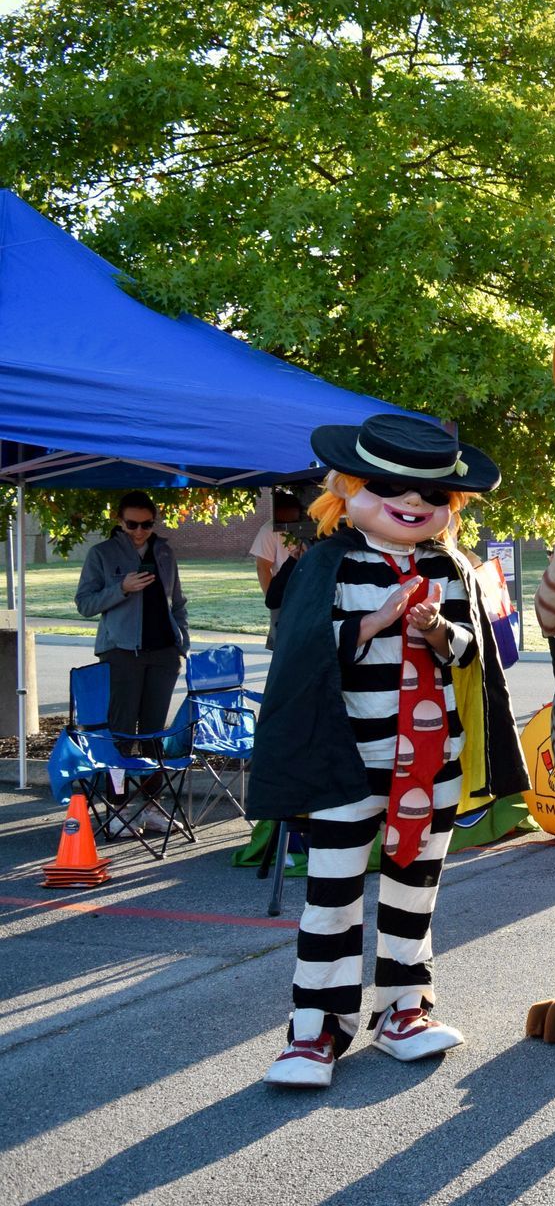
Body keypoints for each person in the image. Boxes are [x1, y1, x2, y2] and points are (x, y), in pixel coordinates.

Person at [246, 415, 526, 1089]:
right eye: (390, 487)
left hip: (432, 761)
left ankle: (406, 1009)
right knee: (332, 896)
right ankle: (316, 1028)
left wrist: (436, 631)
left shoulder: (451, 567)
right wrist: (374, 623)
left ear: (450, 505)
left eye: (432, 495)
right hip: (345, 764)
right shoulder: (327, 563)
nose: (414, 504)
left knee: (414, 893)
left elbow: (475, 652)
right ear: (347, 489)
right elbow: (302, 654)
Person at [74, 492, 190, 833]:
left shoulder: (165, 552)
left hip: (163, 655)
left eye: (147, 524)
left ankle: (152, 807)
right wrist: (121, 587)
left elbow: (178, 602)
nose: (140, 531)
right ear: (119, 520)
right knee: (121, 734)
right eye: (132, 524)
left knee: (155, 734)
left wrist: (180, 641)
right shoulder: (102, 554)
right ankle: (118, 808)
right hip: (121, 653)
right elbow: (84, 603)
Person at [250, 489, 307, 650]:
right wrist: (273, 598)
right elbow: (263, 567)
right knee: (283, 645)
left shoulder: (306, 528)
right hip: (283, 594)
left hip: (307, 593)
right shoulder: (269, 530)